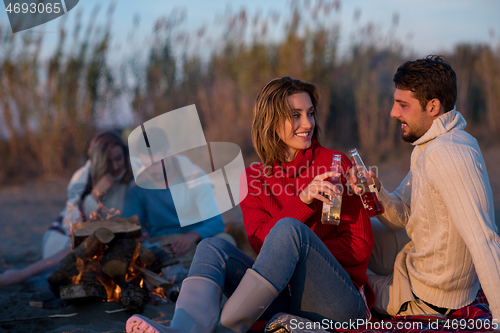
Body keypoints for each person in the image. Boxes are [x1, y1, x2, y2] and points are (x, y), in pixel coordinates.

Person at [126, 77, 374, 333]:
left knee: (290, 231)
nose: (308, 123)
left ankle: (225, 330)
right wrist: (301, 201)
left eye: (310, 113)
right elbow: (261, 244)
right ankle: (181, 328)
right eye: (295, 115)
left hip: (339, 303)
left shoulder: (335, 165)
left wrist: (303, 251)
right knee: (211, 247)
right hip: (283, 298)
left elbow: (360, 247)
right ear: (271, 122)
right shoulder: (253, 177)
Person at [363, 56, 500, 322]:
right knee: (346, 232)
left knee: (344, 275)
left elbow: (484, 240)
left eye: (402, 105)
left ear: (433, 106)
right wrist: (374, 191)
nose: (393, 112)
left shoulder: (448, 153)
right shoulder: (432, 143)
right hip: (414, 260)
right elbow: (402, 214)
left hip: (426, 297)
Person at [0, 130, 133, 287]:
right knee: (88, 243)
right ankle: (22, 274)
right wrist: (97, 193)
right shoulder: (83, 176)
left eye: (118, 158)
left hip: (105, 240)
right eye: (108, 162)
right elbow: (71, 222)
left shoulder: (129, 180)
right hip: (65, 238)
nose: (116, 166)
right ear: (99, 161)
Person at [122, 127, 232, 269]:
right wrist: (137, 234)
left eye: (155, 163)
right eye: (145, 165)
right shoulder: (138, 186)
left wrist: (193, 235)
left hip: (195, 243)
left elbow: (216, 222)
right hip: (158, 246)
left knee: (225, 241)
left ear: (169, 154)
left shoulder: (194, 177)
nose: (151, 170)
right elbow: (129, 225)